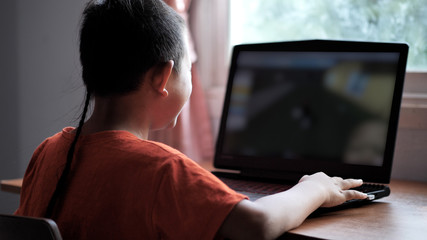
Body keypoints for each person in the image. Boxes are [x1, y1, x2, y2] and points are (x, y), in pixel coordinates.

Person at [15, 0, 368, 239]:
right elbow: (259, 224)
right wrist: (316, 187)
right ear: (163, 77)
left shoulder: (47, 152)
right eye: (188, 68)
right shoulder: (161, 169)